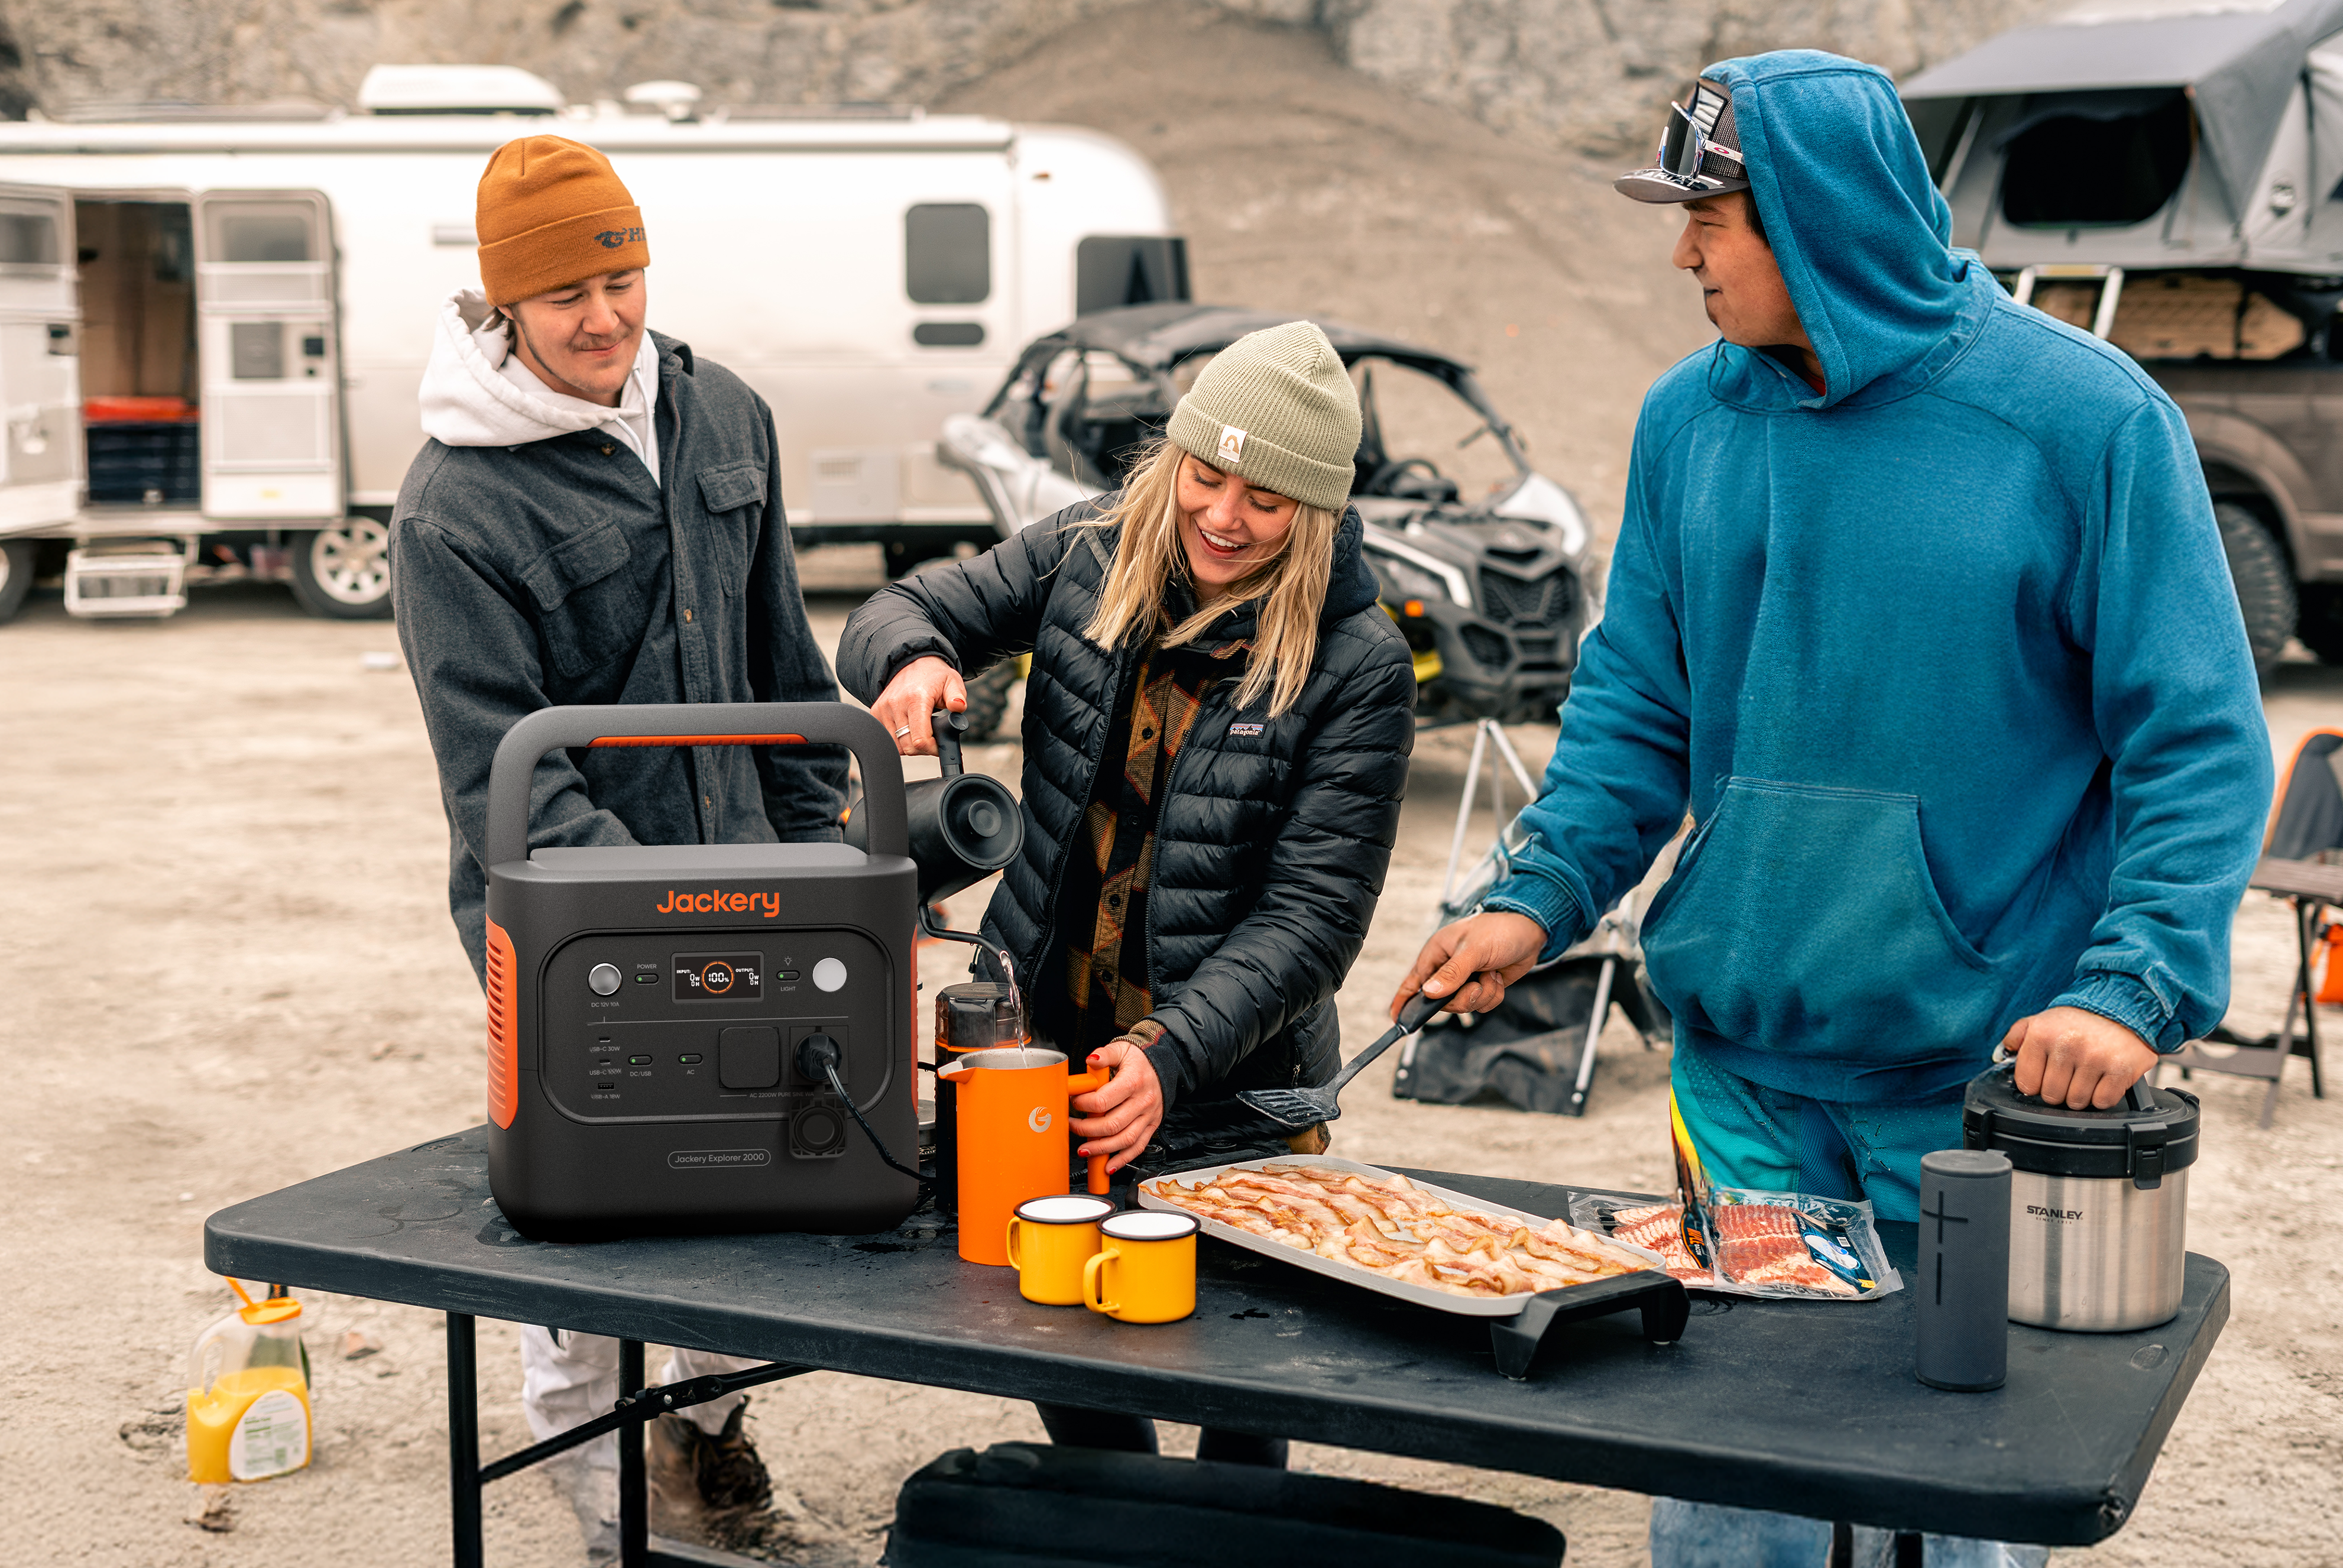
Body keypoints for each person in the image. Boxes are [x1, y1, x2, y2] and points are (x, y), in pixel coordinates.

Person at [1392, 53, 2272, 1568]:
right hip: (1739, 1068)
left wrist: (2130, 991)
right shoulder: (1688, 423)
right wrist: (1539, 895)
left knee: (1954, 1494)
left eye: (1707, 220)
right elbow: (1635, 708)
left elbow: (2195, 743)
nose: (1682, 256)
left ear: (1814, 217)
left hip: (1974, 1087)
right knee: (1734, 1478)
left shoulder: (2080, 425)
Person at [839, 320, 1415, 1463]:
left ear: (1319, 510)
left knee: (1239, 1371)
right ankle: (1115, 1509)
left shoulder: (1358, 661)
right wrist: (909, 657)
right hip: (1037, 1047)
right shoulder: (1081, 551)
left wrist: (1169, 1054)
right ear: (1173, 458)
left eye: (1266, 499)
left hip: (1233, 1079)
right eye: (1205, 475)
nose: (1223, 516)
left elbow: (1315, 918)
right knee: (1052, 1318)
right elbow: (899, 607)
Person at [390, 135, 844, 1561]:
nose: (605, 318)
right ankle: (609, 1504)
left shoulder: (729, 419)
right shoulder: (452, 507)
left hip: (761, 899)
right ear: (501, 309)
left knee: (756, 1194)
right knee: (595, 1221)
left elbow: (781, 658)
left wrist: (830, 864)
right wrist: (679, 918)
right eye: (566, 296)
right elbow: (498, 781)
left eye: (624, 277)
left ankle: (705, 1447)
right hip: (579, 936)